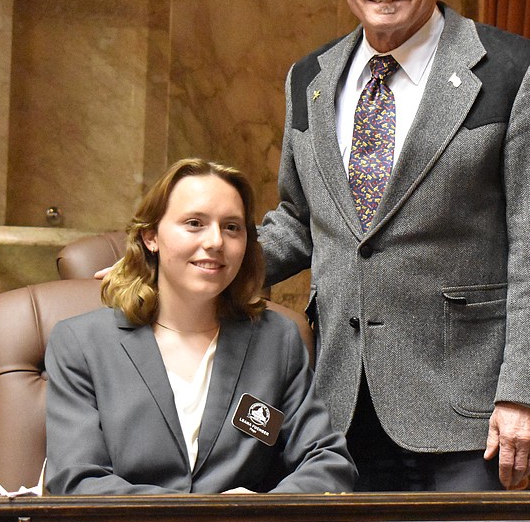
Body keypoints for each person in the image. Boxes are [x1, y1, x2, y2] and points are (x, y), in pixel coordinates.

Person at [258, 0, 530, 491]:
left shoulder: (513, 71)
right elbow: (300, 220)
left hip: (469, 414)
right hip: (338, 407)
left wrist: (526, 396)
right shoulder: (309, 79)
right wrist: (180, 267)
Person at [46, 158, 356, 495]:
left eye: (232, 227)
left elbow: (327, 462)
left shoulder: (276, 340)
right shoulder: (81, 343)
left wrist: (258, 512)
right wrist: (207, 518)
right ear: (151, 236)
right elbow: (78, 479)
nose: (216, 242)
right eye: (195, 223)